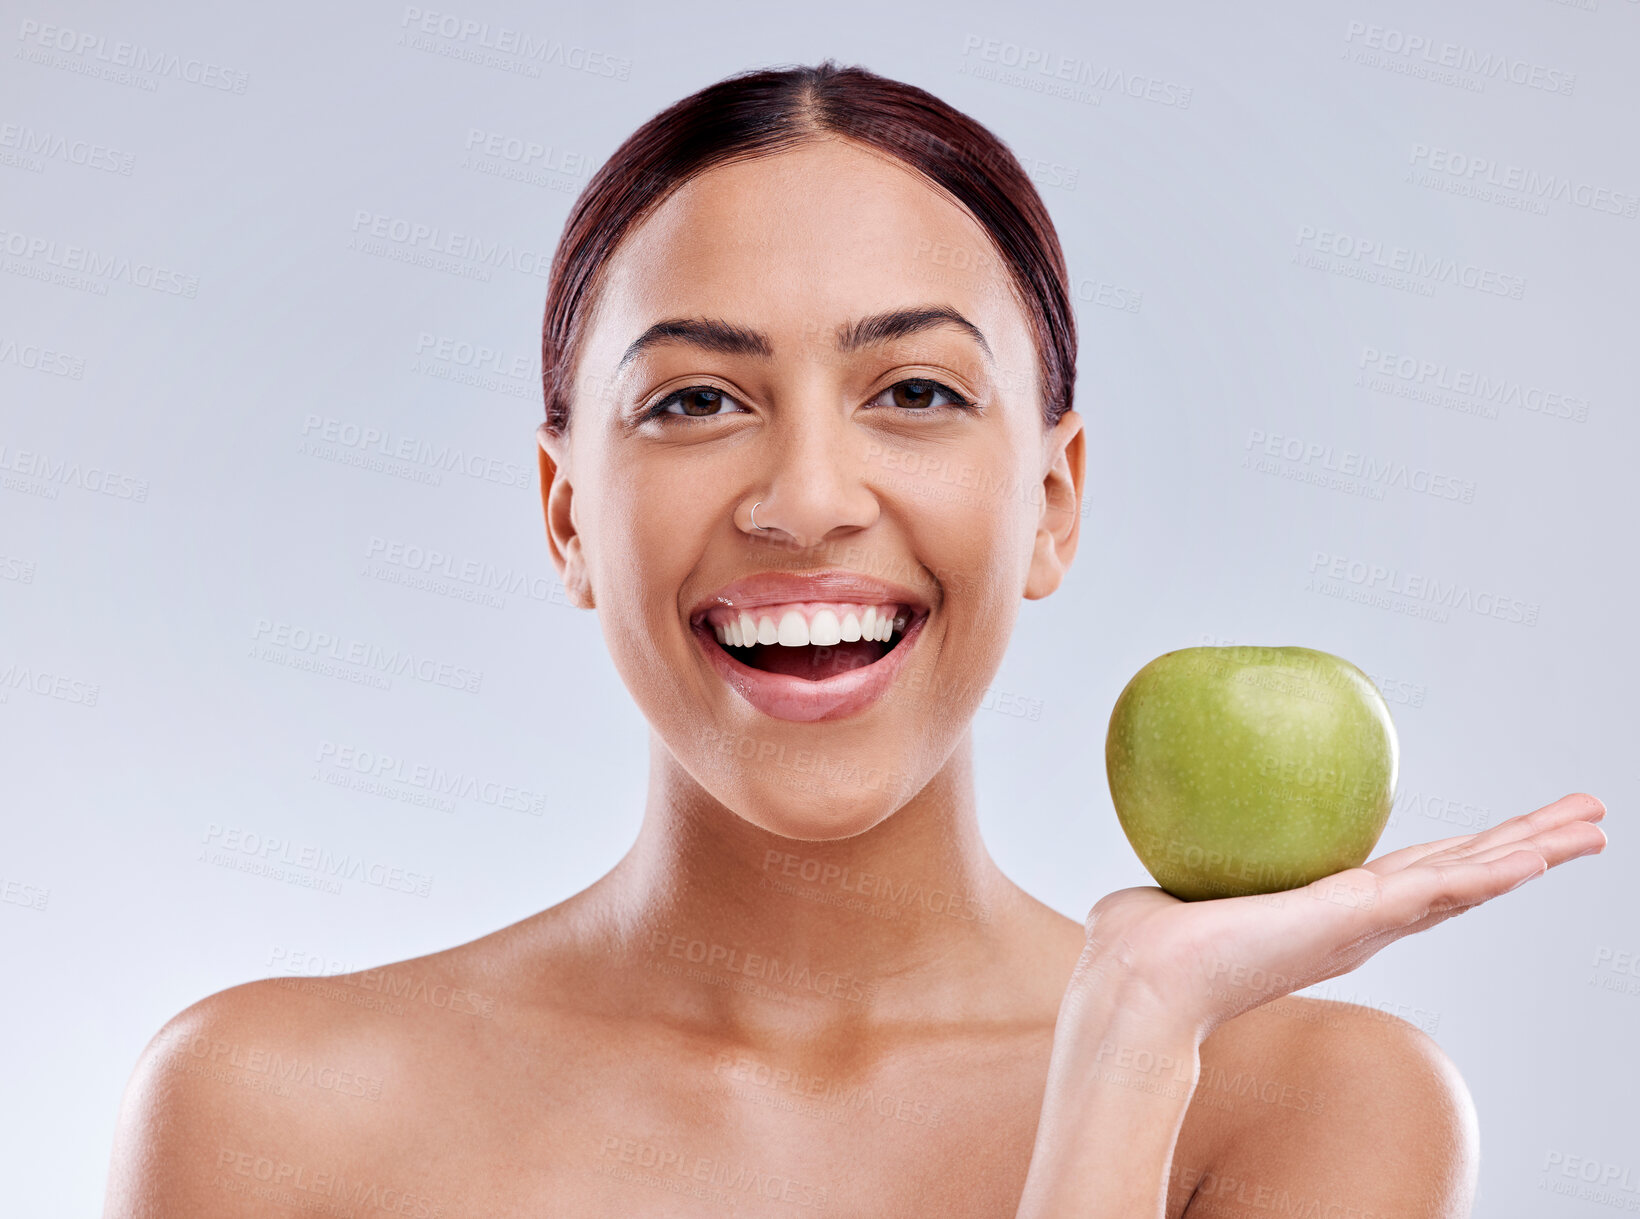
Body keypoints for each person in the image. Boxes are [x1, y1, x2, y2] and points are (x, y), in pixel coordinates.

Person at [103, 61, 1607, 1218]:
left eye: (917, 393)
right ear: (566, 515)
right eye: (696, 399)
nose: (807, 501)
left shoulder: (1305, 1106)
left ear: (1054, 501)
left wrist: (1129, 1047)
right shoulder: (270, 1115)